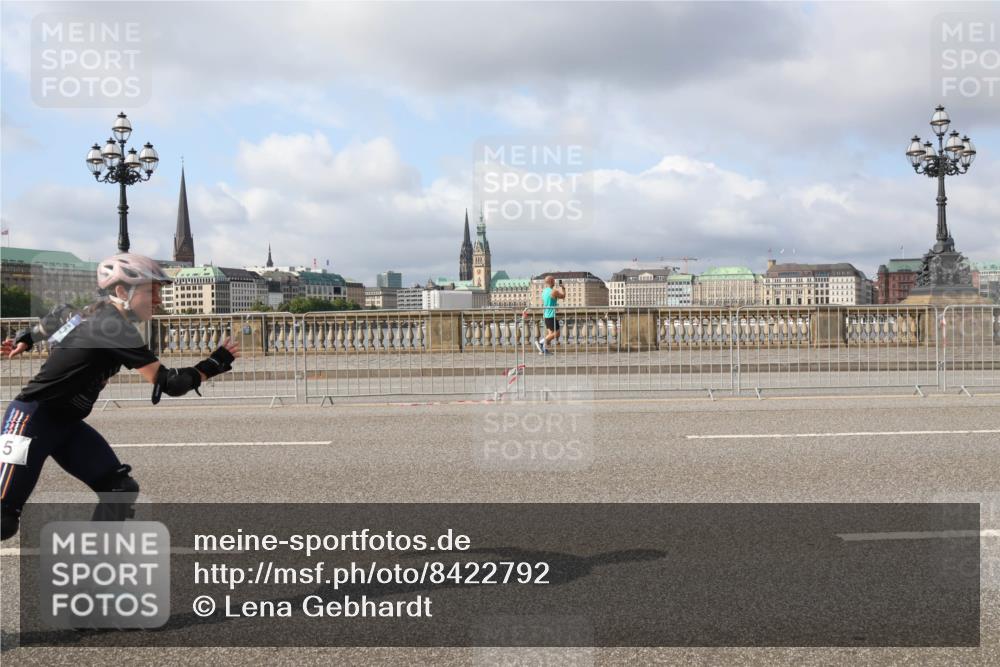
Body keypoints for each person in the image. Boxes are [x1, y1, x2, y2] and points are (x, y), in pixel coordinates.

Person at [0, 253, 240, 541]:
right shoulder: (111, 328)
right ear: (122, 292)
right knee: (3, 520)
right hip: (31, 420)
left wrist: (25, 338)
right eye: (152, 292)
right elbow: (170, 383)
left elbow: (58, 315)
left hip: (66, 425)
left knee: (119, 489)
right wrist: (213, 365)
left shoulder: (95, 312)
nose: (158, 301)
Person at [534, 276, 566, 355]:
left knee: (550, 334)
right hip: (551, 315)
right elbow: (563, 296)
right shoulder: (553, 291)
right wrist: (563, 288)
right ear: (551, 281)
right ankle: (541, 343)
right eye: (554, 280)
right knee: (557, 333)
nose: (555, 281)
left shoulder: (544, 291)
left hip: (546, 315)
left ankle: (544, 350)